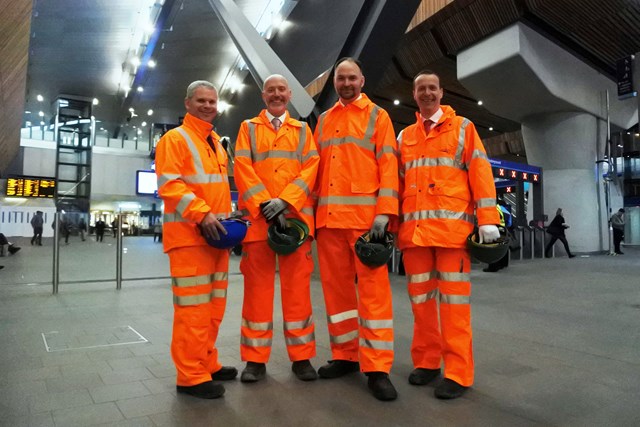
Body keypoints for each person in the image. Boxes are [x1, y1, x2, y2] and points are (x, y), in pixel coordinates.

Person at [397, 69, 501, 400]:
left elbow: (481, 172)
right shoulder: (404, 138)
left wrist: (487, 218)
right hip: (414, 236)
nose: (427, 93)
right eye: (421, 89)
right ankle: (427, 362)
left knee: (454, 307)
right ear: (414, 96)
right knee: (422, 304)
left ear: (442, 93)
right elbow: (395, 184)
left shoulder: (463, 129)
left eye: (432, 88)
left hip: (453, 235)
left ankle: (458, 372)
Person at [313, 57, 399, 401]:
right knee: (338, 296)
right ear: (334, 82)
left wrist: (385, 213)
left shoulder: (379, 117)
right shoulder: (323, 120)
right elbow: (315, 171)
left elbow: (389, 166)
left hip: (365, 225)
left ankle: (377, 367)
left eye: (352, 78)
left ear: (362, 80)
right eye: (340, 78)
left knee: (374, 296)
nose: (346, 83)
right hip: (329, 221)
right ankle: (346, 355)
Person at [234, 74, 320, 383]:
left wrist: (284, 201)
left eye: (281, 90)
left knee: (298, 293)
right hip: (259, 225)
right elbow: (241, 167)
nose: (276, 94)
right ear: (263, 95)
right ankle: (255, 360)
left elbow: (312, 167)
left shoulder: (303, 131)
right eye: (271, 90)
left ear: (289, 94)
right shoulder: (248, 128)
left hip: (295, 223)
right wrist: (264, 204)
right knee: (257, 293)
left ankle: (302, 358)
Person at [155, 80, 237, 399]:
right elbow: (170, 185)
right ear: (187, 103)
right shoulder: (174, 139)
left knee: (213, 307)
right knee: (193, 310)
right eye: (200, 100)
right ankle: (190, 375)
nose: (207, 106)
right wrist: (203, 214)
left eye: (212, 101)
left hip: (215, 238)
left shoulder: (214, 141)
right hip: (190, 238)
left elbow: (215, 188)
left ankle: (206, 363)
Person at [484, 201, 512, 272]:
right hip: (502, 229)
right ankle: (503, 264)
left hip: (496, 229)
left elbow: (493, 220)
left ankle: (493, 267)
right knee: (501, 248)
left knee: (493, 249)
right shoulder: (500, 208)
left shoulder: (494, 209)